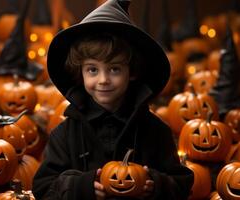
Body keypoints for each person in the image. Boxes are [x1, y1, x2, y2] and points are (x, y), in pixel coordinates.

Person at [32, 0, 194, 199]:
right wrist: (81, 187)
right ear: (80, 73)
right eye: (92, 70)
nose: (103, 80)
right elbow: (43, 188)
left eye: (114, 69)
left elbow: (182, 184)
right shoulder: (65, 134)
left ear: (132, 72)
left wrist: (155, 184)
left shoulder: (155, 131)